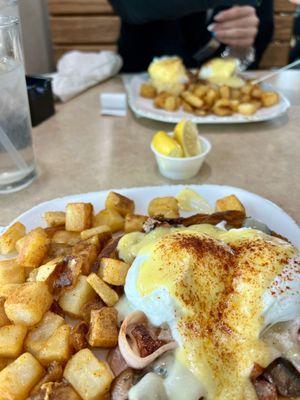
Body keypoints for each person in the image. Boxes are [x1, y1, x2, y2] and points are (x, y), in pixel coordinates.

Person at [108, 0, 274, 72]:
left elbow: (248, 57)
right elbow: (128, 7)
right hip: (138, 85)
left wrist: (239, 48)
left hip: (222, 107)